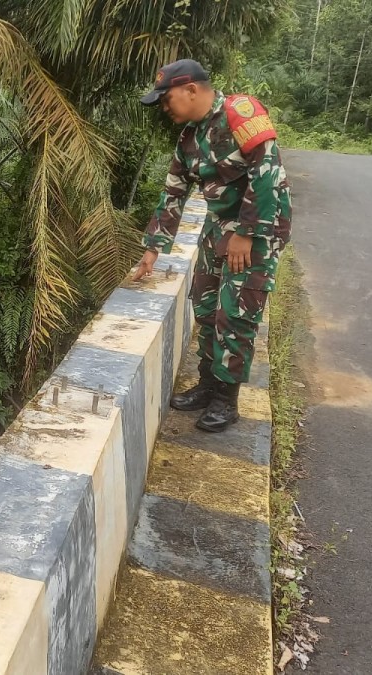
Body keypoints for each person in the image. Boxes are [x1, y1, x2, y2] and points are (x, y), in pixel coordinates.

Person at [133, 59, 292, 432]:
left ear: (191, 90)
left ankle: (226, 398)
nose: (164, 106)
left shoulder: (241, 113)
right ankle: (207, 383)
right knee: (204, 305)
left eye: (167, 98)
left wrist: (246, 234)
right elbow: (173, 191)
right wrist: (152, 248)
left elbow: (267, 173)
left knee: (235, 314)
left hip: (259, 229)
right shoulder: (190, 137)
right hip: (220, 224)